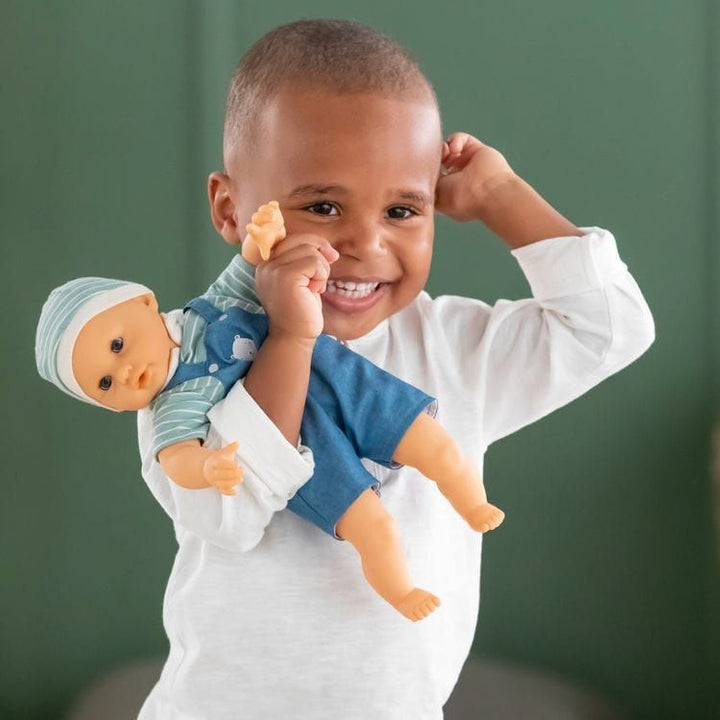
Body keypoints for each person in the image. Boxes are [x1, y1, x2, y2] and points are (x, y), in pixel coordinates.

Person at [133, 18, 654, 720]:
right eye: (323, 206)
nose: (366, 243)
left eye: (403, 209)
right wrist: (290, 338)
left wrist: (500, 196)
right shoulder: (183, 358)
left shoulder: (454, 352)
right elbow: (230, 514)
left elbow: (611, 327)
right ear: (231, 209)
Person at [34, 200, 504, 622]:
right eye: (104, 384)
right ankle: (400, 590)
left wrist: (259, 241)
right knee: (370, 523)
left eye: (117, 345)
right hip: (299, 442)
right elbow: (175, 457)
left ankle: (473, 501)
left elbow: (245, 271)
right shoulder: (174, 403)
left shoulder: (207, 310)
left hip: (331, 376)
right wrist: (208, 466)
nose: (125, 371)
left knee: (429, 440)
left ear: (144, 302)